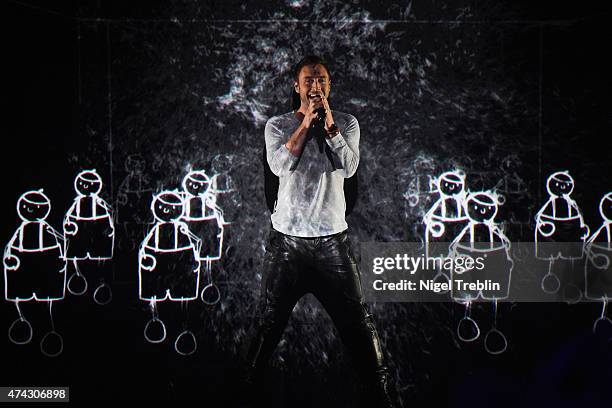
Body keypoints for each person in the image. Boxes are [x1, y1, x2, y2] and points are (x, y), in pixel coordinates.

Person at [243, 55, 396, 407]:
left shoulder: (347, 123)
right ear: (296, 86)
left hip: (333, 243)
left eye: (321, 80)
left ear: (330, 86)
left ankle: (385, 399)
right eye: (309, 80)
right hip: (287, 244)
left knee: (360, 326)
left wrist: (329, 129)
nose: (315, 86)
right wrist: (305, 122)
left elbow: (350, 166)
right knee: (265, 327)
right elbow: (279, 165)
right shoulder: (277, 125)